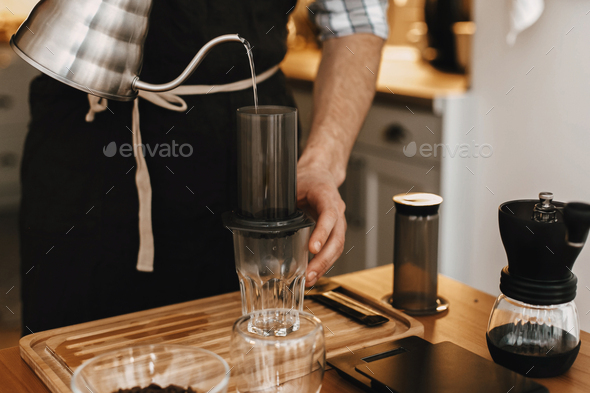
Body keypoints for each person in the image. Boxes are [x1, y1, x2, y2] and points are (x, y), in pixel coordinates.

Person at [19, 0, 388, 334]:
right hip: (89, 132)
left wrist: (322, 160)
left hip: (243, 145)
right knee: (69, 333)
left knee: (240, 338)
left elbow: (355, 20)